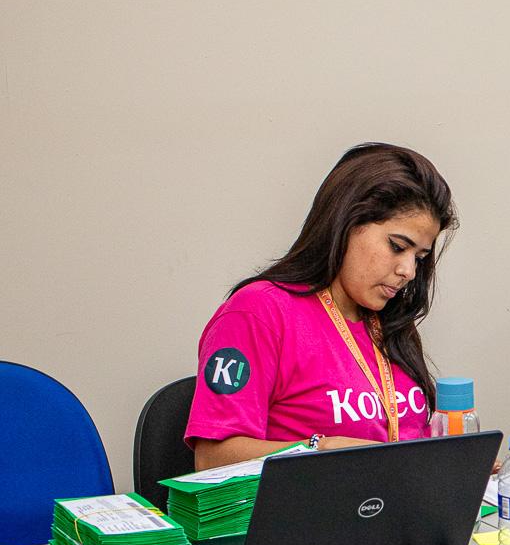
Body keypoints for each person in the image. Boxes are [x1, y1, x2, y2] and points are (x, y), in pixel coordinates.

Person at [185, 143, 457, 469]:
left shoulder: (388, 320)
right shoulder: (258, 311)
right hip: (307, 501)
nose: (408, 271)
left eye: (420, 257)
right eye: (397, 246)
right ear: (346, 223)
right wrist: (319, 449)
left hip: (394, 498)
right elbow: (211, 459)